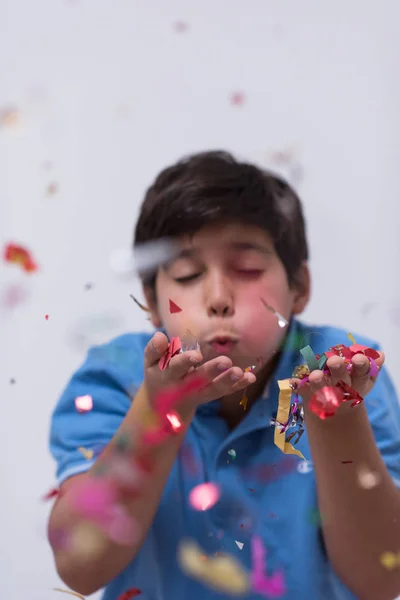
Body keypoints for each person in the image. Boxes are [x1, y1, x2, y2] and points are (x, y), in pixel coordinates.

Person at [48, 151, 400, 600]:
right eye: (188, 273)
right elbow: (79, 566)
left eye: (248, 270)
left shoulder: (347, 370)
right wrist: (160, 411)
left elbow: (383, 578)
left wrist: (337, 418)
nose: (217, 297)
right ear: (151, 302)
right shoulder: (115, 376)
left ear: (299, 288)